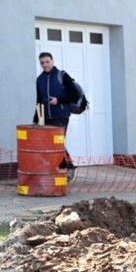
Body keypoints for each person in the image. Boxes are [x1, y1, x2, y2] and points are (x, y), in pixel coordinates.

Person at [34, 52, 77, 181]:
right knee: (50, 145)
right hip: (47, 117)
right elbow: (39, 101)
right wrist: (36, 119)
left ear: (52, 61)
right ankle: (56, 170)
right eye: (42, 63)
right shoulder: (39, 79)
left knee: (57, 143)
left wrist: (59, 100)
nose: (45, 65)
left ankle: (69, 168)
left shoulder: (62, 75)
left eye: (47, 62)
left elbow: (74, 95)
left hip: (61, 115)